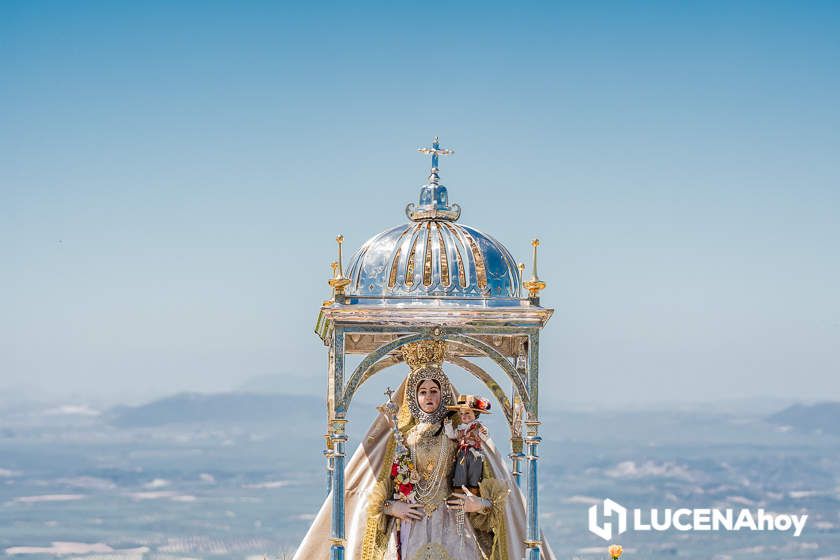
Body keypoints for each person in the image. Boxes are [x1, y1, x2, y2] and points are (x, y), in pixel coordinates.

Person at [292, 340, 556, 560]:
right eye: (423, 392)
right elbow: (375, 491)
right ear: (413, 397)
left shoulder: (462, 437)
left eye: (434, 390)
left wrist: (478, 504)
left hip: (454, 524)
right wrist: (391, 507)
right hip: (411, 524)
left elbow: (496, 492)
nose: (429, 396)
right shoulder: (401, 438)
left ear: (443, 395)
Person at [446, 394, 492, 495]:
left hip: (475, 454)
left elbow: (485, 438)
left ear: (475, 414)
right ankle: (459, 494)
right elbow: (451, 435)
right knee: (460, 474)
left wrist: (484, 432)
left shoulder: (478, 426)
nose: (464, 416)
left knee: (474, 475)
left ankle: (473, 494)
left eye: (467, 413)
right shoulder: (461, 428)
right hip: (462, 454)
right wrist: (447, 425)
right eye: (462, 414)